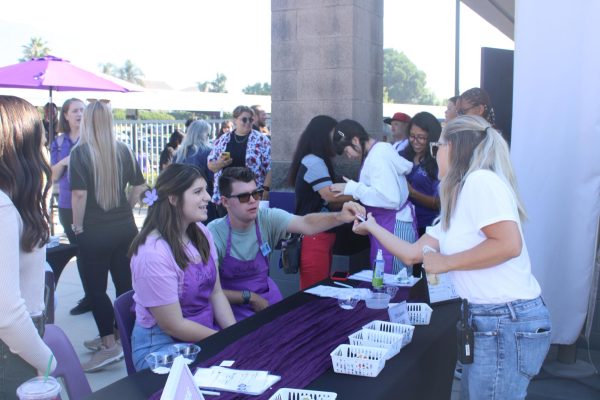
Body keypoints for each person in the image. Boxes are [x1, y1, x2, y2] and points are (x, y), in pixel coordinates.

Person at [354, 115, 551, 399]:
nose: (435, 152)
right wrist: (370, 224)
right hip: (490, 321)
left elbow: (508, 244)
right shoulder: (459, 198)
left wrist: (446, 262)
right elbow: (412, 254)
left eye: (439, 145)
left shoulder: (480, 181)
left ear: (455, 148)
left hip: (505, 321)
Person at [208, 167, 365, 321]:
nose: (252, 201)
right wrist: (250, 297)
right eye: (243, 197)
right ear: (225, 202)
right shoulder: (215, 233)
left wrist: (340, 217)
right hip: (231, 309)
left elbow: (306, 223)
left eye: (256, 194)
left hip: (268, 300)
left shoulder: (266, 218)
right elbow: (209, 290)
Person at [129, 164, 236, 371]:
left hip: (200, 336)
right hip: (161, 350)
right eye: (198, 192)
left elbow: (216, 293)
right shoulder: (152, 254)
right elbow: (173, 325)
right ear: (173, 199)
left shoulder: (202, 233)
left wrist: (236, 334)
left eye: (206, 189)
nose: (208, 197)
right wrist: (225, 340)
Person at [69, 101, 147, 372]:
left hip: (94, 231)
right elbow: (140, 184)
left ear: (88, 122)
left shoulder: (80, 153)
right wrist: (128, 203)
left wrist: (77, 226)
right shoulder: (123, 150)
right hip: (125, 228)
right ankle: (121, 335)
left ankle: (108, 346)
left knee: (95, 290)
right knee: (125, 287)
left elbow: (79, 195)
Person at [0, 95, 57, 398]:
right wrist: (46, 359)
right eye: (42, 144)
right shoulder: (3, 207)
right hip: (12, 350)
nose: (45, 152)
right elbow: (6, 312)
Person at [330, 119, 415, 274]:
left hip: (393, 227)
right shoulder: (377, 153)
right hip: (390, 225)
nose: (349, 157)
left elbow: (390, 198)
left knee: (393, 284)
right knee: (387, 282)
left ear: (355, 140)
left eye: (347, 151)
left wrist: (354, 188)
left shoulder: (378, 155)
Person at [288, 115, 354, 289]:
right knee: (314, 293)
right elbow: (329, 196)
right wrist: (364, 194)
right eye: (334, 135)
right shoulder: (314, 161)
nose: (337, 141)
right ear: (322, 135)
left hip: (318, 235)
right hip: (314, 236)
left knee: (318, 289)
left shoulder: (314, 160)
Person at [50, 98, 92, 316]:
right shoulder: (58, 143)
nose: (79, 114)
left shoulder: (91, 140)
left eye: (83, 110)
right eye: (75, 110)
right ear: (65, 115)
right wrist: (67, 160)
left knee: (92, 252)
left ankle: (95, 295)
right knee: (81, 251)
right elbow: (54, 175)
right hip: (67, 205)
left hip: (90, 203)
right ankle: (90, 296)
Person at [208, 105, 271, 207]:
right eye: (244, 119)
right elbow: (210, 165)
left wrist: (266, 189)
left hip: (251, 195)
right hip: (226, 195)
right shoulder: (223, 140)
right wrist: (219, 164)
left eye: (251, 120)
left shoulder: (261, 140)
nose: (248, 123)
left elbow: (270, 167)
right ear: (235, 120)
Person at [399, 111, 441, 236]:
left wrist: (412, 192)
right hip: (402, 223)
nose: (415, 141)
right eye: (412, 136)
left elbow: (440, 203)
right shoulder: (402, 156)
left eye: (421, 137)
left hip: (427, 227)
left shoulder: (438, 161)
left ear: (432, 137)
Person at [174, 120, 217, 223]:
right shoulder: (208, 152)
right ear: (205, 134)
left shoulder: (179, 153)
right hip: (203, 199)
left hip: (182, 198)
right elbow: (213, 177)